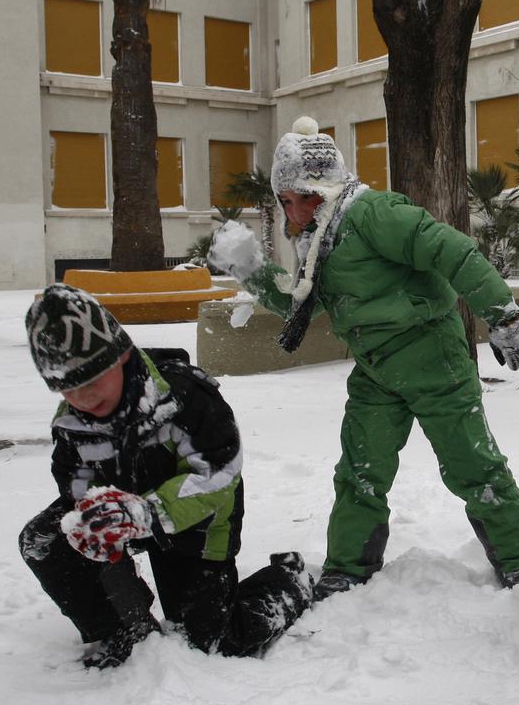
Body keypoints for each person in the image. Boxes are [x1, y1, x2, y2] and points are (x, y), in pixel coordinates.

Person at [209, 117, 519, 598]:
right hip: (375, 370)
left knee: (474, 465)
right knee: (360, 471)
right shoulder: (320, 242)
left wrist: (503, 314)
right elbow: (300, 306)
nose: (293, 211)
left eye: (301, 197)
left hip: (434, 360)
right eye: (285, 201)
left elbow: (452, 250)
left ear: (324, 189)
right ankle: (348, 567)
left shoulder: (373, 214)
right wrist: (250, 268)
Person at [18, 283, 312, 669]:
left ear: (121, 356)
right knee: (43, 541)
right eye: (67, 388)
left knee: (209, 642)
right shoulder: (73, 423)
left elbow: (217, 471)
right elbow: (73, 477)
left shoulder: (185, 397)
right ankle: (118, 630)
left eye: (91, 380)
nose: (83, 397)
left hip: (199, 520)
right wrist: (92, 515)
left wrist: (148, 514)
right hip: (125, 514)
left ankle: (289, 582)